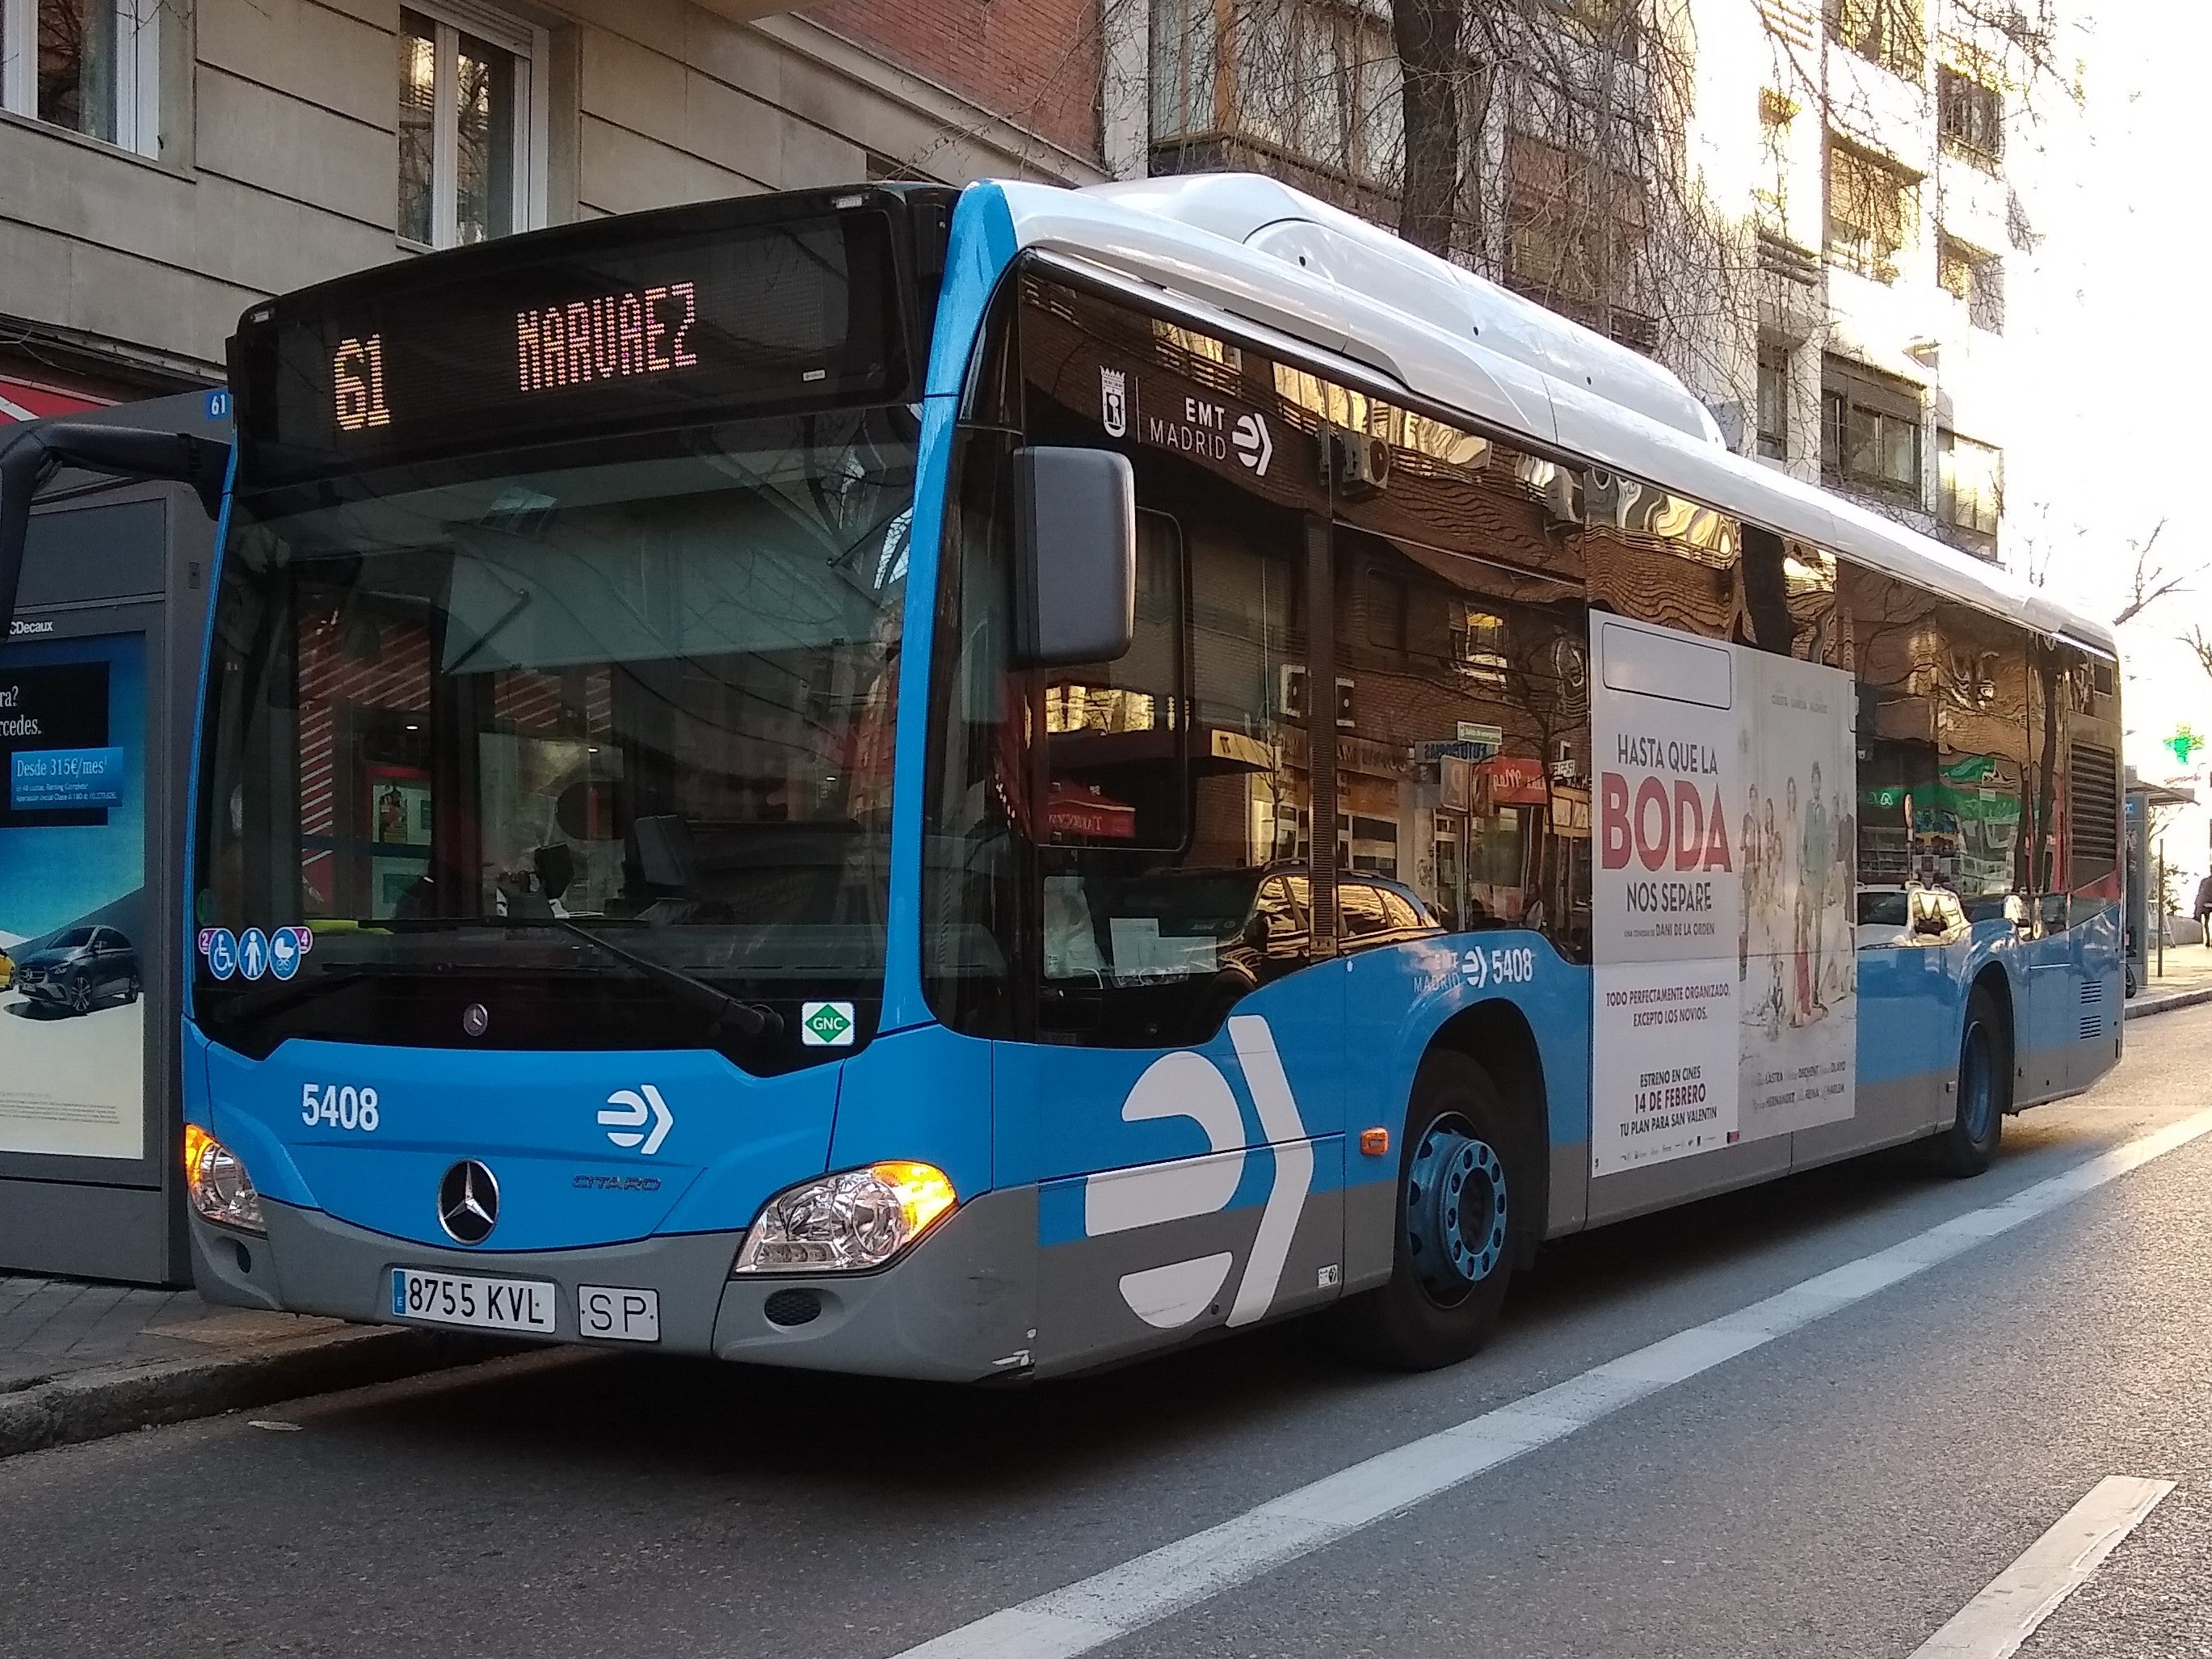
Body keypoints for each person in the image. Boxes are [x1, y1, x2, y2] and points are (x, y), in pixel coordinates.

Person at [2195, 872, 2212, 946]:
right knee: (2207, 922)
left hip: (2204, 904)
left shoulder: (2204, 881)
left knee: (2206, 923)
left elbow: (2200, 894)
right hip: (2209, 903)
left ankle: (2208, 940)